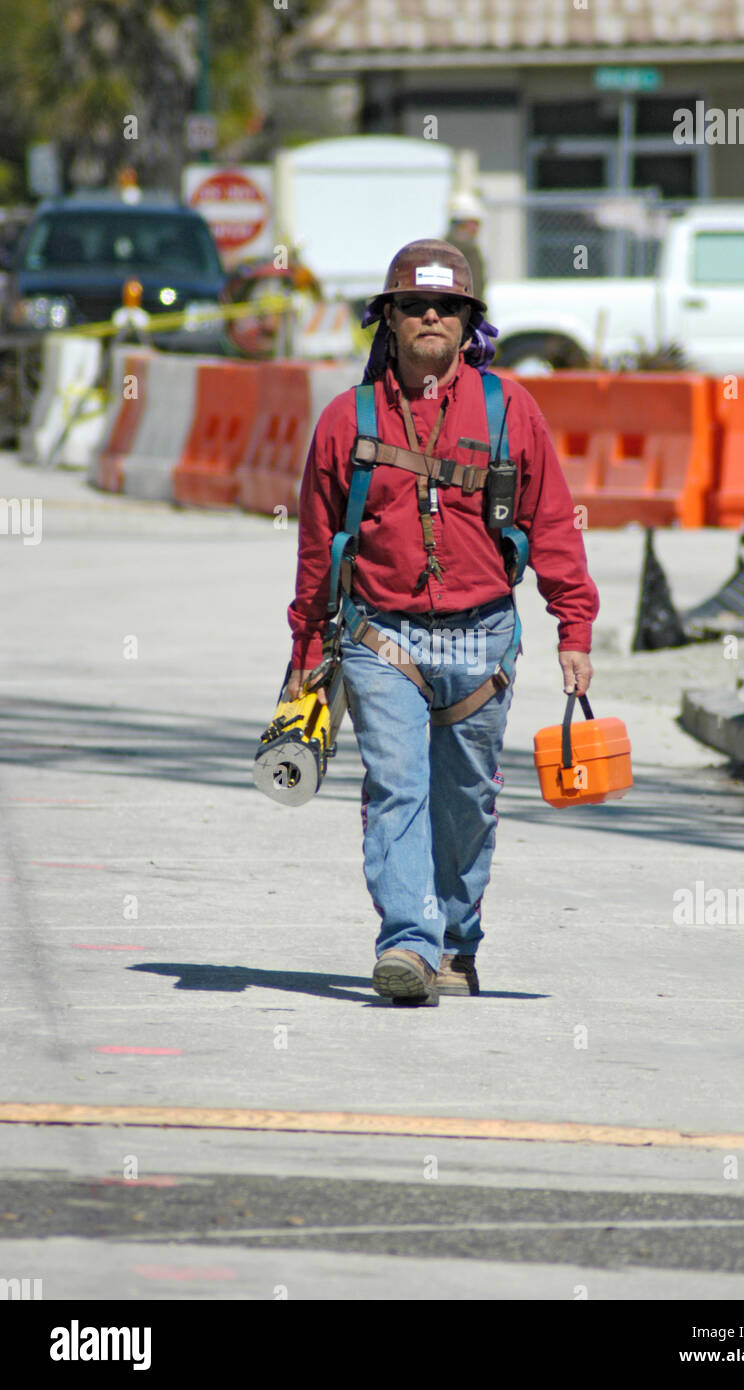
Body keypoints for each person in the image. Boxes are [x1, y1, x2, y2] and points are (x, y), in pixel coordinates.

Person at [286, 239, 598, 1006]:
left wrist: (574, 629)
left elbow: (551, 523)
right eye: (415, 305)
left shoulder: (510, 411)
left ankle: (457, 942)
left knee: (467, 803)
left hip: (483, 639)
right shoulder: (343, 421)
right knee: (397, 789)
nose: (431, 315)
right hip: (379, 640)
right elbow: (319, 547)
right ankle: (408, 946)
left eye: (447, 306)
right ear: (386, 319)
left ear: (468, 324)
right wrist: (307, 648)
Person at [445, 191, 486, 302]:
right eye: (475, 223)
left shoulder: (439, 247)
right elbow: (476, 287)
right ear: (465, 223)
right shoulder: (469, 250)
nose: (477, 229)